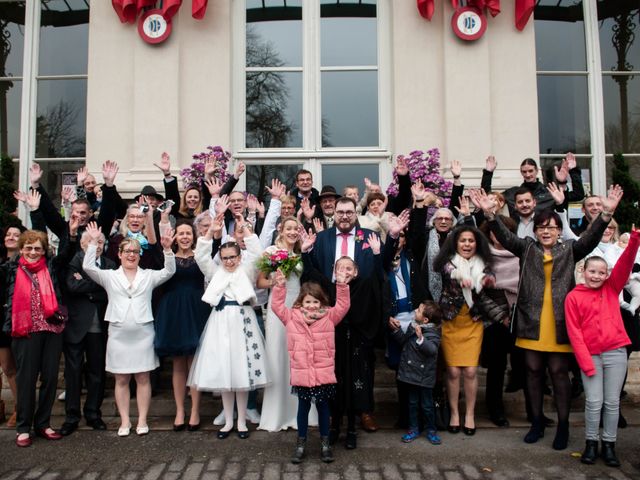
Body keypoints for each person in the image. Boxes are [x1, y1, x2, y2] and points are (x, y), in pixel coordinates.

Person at [471, 185, 623, 450]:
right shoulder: (526, 248)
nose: (546, 231)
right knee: (532, 372)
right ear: (536, 230)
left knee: (559, 373)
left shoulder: (569, 249)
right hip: (530, 322)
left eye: (551, 227)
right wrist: (489, 214)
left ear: (559, 230)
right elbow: (505, 237)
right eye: (542, 227)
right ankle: (537, 421)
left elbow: (590, 239)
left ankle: (562, 425)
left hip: (560, 324)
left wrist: (605, 214)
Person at [82, 222, 176, 437]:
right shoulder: (109, 276)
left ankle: (142, 420)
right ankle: (125, 421)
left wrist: (168, 249)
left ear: (139, 255)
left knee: (143, 377)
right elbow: (88, 268)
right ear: (120, 254)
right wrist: (94, 242)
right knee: (121, 379)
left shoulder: (149, 276)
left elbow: (169, 271)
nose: (132, 255)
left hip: (143, 332)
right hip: (118, 333)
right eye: (128, 251)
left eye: (135, 251)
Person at [3, 191, 76, 448]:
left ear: (44, 251)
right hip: (25, 331)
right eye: (29, 248)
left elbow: (67, 246)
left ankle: (43, 423)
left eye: (38, 249)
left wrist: (39, 211)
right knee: (26, 378)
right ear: (21, 249)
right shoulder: (12, 269)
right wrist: (34, 213)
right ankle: (24, 427)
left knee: (49, 378)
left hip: (52, 328)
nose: (33, 252)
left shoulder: (51, 268)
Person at [188, 216, 268, 440]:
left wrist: (245, 228)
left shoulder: (248, 269)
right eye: (225, 258)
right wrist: (209, 232)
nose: (229, 262)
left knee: (242, 370)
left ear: (239, 257)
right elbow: (200, 256)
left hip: (243, 321)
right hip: (220, 322)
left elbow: (258, 253)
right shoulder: (215, 272)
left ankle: (242, 421)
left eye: (233, 257)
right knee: (225, 370)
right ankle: (229, 421)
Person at [565, 228, 640, 467]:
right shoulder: (573, 297)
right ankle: (591, 443)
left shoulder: (612, 288)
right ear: (584, 272)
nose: (597, 276)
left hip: (616, 352)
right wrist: (585, 363)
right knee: (593, 401)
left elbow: (625, 265)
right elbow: (574, 333)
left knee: (612, 403)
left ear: (607, 274)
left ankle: (609, 445)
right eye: (592, 272)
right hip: (591, 357)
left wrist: (634, 240)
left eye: (601, 272)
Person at [271, 266, 351, 464]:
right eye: (308, 301)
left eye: (316, 301)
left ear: (321, 302)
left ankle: (325, 444)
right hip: (302, 373)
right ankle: (301, 443)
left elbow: (343, 305)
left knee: (324, 409)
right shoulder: (292, 317)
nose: (312, 305)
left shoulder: (329, 317)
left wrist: (341, 284)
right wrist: (280, 287)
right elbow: (276, 307)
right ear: (301, 302)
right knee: (303, 409)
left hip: (323, 373)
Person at [432, 226, 495, 437]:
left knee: (469, 371)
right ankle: (454, 414)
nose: (467, 244)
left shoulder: (483, 262)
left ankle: (469, 414)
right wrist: (462, 277)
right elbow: (445, 270)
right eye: (462, 241)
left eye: (470, 240)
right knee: (453, 371)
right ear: (455, 243)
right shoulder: (447, 261)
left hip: (473, 322)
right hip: (451, 322)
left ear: (477, 243)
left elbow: (491, 277)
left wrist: (486, 280)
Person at [153, 220, 210, 432]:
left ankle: (195, 410)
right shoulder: (167, 256)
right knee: (178, 363)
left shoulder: (201, 256)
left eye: (188, 233)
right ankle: (179, 410)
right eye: (181, 233)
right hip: (174, 310)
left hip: (197, 309)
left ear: (193, 236)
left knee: (194, 362)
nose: (185, 237)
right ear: (175, 237)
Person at [59, 230, 117, 436]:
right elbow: (72, 286)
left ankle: (93, 414)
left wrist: (88, 285)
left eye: (100, 241)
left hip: (99, 326)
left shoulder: (110, 265)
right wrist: (99, 285)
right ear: (83, 244)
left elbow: (111, 290)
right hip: (75, 325)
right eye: (92, 241)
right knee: (73, 373)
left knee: (97, 372)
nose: (97, 244)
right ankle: (71, 417)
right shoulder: (74, 262)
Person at [257, 216, 309, 432]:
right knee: (278, 354)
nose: (292, 232)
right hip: (278, 308)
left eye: (295, 228)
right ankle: (277, 413)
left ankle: (301, 410)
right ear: (281, 230)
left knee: (298, 357)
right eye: (288, 228)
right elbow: (259, 281)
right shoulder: (270, 252)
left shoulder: (302, 252)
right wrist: (274, 281)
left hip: (298, 306)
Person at [388, 301, 442, 446]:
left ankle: (431, 429)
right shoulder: (413, 326)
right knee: (412, 404)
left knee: (426, 405)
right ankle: (413, 428)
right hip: (411, 374)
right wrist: (396, 330)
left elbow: (432, 350)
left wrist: (421, 339)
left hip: (425, 376)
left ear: (425, 320)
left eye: (418, 310)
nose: (415, 311)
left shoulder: (433, 333)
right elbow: (403, 341)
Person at [0, 224, 24, 428]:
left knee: (10, 367)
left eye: (16, 235)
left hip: (14, 319)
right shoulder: (1, 261)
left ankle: (19, 408)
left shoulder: (24, 262)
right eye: (8, 234)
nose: (11, 237)